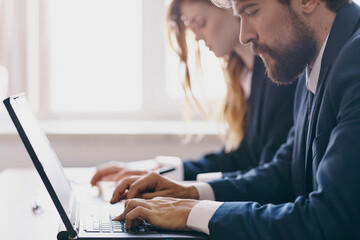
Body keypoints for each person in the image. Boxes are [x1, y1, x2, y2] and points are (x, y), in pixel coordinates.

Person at [109, 0, 360, 239]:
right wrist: (189, 193)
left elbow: (329, 221)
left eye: (251, 11)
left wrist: (193, 213)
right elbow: (282, 176)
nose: (244, 36)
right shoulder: (315, 63)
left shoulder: (353, 62)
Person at [90, 0, 296, 186]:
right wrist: (156, 170)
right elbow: (240, 158)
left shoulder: (280, 76)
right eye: (191, 27)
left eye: (200, 22)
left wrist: (188, 192)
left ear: (231, 8)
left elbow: (266, 172)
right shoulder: (245, 76)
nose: (197, 36)